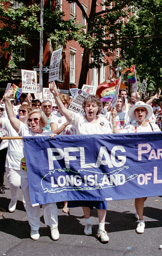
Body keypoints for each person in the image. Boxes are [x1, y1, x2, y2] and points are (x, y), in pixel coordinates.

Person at [50, 81, 111, 243]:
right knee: (85, 196)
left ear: (98, 108)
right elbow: (63, 110)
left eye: (93, 105)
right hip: (82, 166)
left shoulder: (104, 121)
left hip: (99, 166)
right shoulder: (78, 119)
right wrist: (55, 95)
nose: (90, 108)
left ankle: (102, 228)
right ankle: (88, 223)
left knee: (100, 197)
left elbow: (111, 141)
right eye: (88, 105)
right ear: (84, 108)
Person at [4, 89, 60, 241]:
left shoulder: (48, 134)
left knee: (49, 202)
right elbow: (10, 117)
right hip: (27, 173)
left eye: (36, 120)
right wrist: (7, 99)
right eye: (30, 120)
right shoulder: (24, 130)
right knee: (30, 202)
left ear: (42, 121)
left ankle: (53, 226)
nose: (32, 122)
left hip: (45, 174)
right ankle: (34, 227)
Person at [113, 101, 161, 234]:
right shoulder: (130, 127)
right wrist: (112, 119)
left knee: (146, 193)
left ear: (146, 113)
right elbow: (117, 134)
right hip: (136, 166)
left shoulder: (154, 127)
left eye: (142, 110)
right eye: (137, 110)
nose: (140, 112)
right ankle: (141, 220)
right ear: (135, 113)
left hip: (151, 166)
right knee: (139, 194)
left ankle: (138, 209)